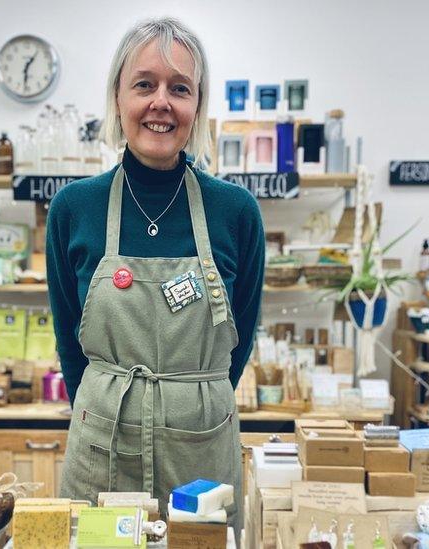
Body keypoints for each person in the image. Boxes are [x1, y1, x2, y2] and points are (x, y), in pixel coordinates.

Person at [46, 17, 265, 527]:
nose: (160, 102)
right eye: (144, 84)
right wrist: (102, 404)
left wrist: (191, 400)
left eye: (180, 88)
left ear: (198, 106)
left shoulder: (234, 211)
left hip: (202, 448)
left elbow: (242, 337)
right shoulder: (74, 208)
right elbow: (68, 339)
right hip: (102, 440)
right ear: (118, 98)